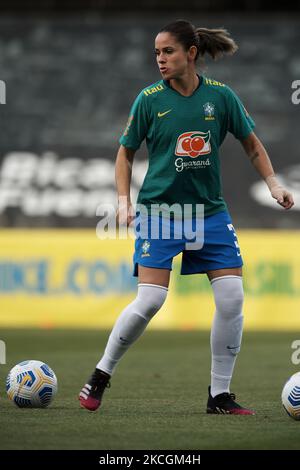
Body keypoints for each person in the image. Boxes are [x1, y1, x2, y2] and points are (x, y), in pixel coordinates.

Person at [79, 19, 294, 414]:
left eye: (168, 52)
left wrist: (273, 185)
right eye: (157, 53)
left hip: (209, 212)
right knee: (149, 301)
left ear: (191, 53)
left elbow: (251, 143)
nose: (160, 59)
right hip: (161, 212)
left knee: (232, 298)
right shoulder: (149, 100)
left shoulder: (221, 97)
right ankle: (101, 374)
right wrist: (124, 201)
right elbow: (125, 153)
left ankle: (219, 396)